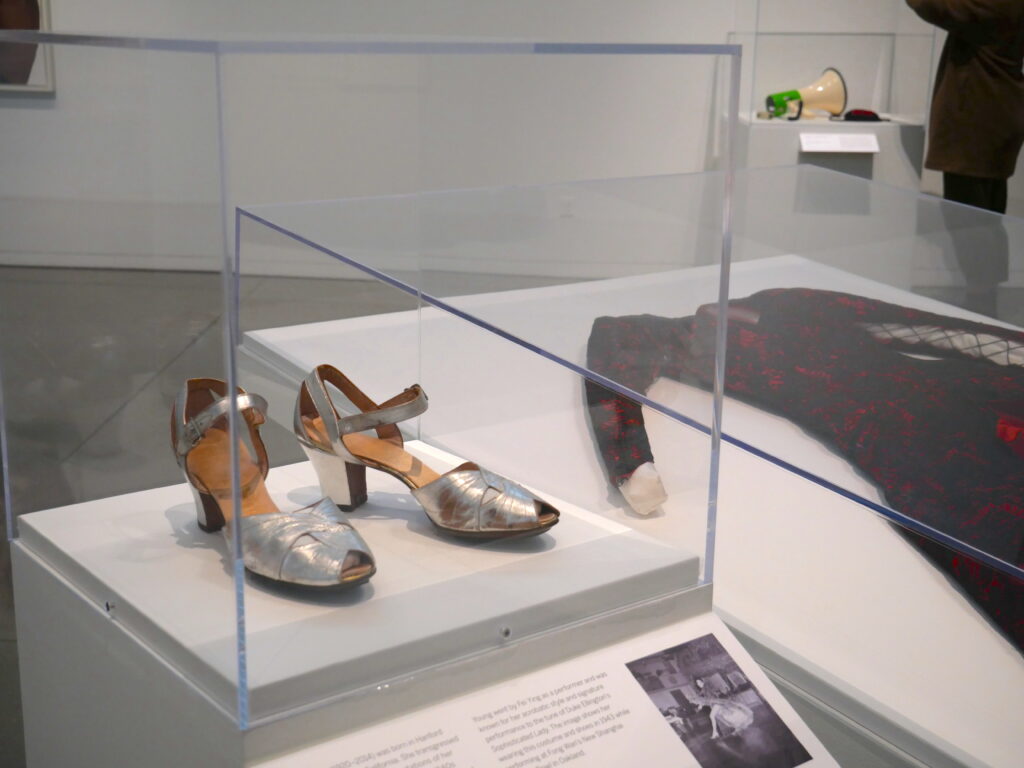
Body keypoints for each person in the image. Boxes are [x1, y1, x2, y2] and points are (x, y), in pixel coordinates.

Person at [906, 0, 1024, 316]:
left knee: (969, 215)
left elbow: (934, 7)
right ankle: (984, 296)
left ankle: (981, 301)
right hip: (994, 115)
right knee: (985, 212)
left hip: (977, 118)